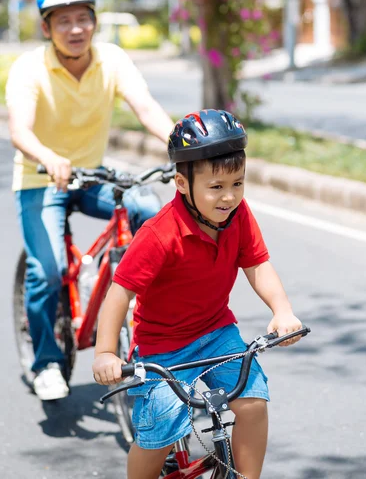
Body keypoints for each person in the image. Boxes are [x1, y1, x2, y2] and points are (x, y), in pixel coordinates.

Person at [92, 109, 304, 479]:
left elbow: (257, 264)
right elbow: (120, 294)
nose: (229, 197)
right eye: (217, 187)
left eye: (238, 184)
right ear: (182, 183)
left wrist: (282, 310)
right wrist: (105, 353)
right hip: (163, 347)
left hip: (216, 332)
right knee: (158, 433)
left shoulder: (238, 215)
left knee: (253, 403)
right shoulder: (160, 234)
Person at [6, 0, 174, 401]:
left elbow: (146, 106)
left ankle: (150, 312)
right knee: (47, 271)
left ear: (95, 22)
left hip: (93, 174)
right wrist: (48, 157)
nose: (76, 28)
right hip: (42, 177)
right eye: (64, 21)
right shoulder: (30, 68)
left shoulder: (112, 60)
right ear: (47, 29)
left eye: (83, 18)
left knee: (147, 207)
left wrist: (182, 144)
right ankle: (45, 362)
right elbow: (19, 129)